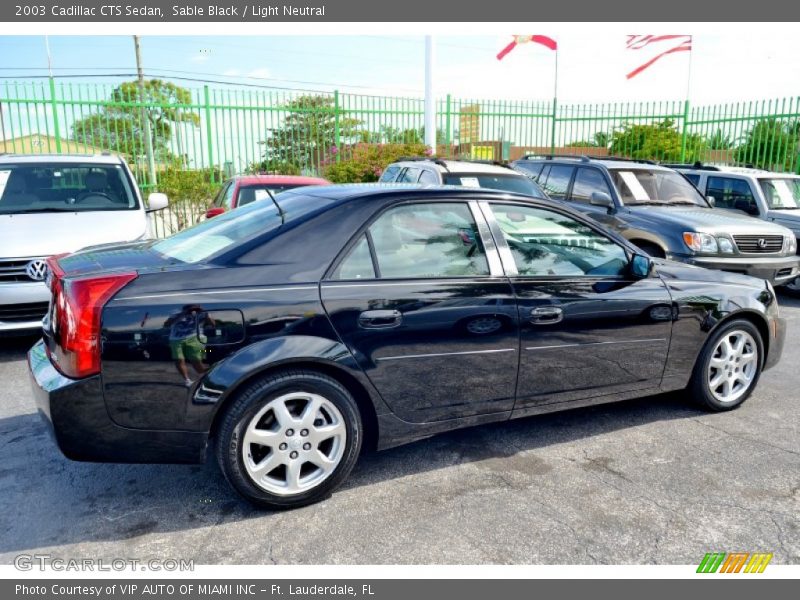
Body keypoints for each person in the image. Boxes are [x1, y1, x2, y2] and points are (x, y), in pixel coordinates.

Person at [165, 305, 214, 387]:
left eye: (196, 308)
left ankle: (207, 375)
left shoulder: (202, 313)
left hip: (194, 338)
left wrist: (206, 315)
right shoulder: (176, 313)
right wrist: (183, 314)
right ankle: (187, 380)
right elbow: (166, 324)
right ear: (184, 309)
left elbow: (213, 324)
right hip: (176, 339)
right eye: (191, 308)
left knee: (196, 360)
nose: (193, 310)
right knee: (179, 359)